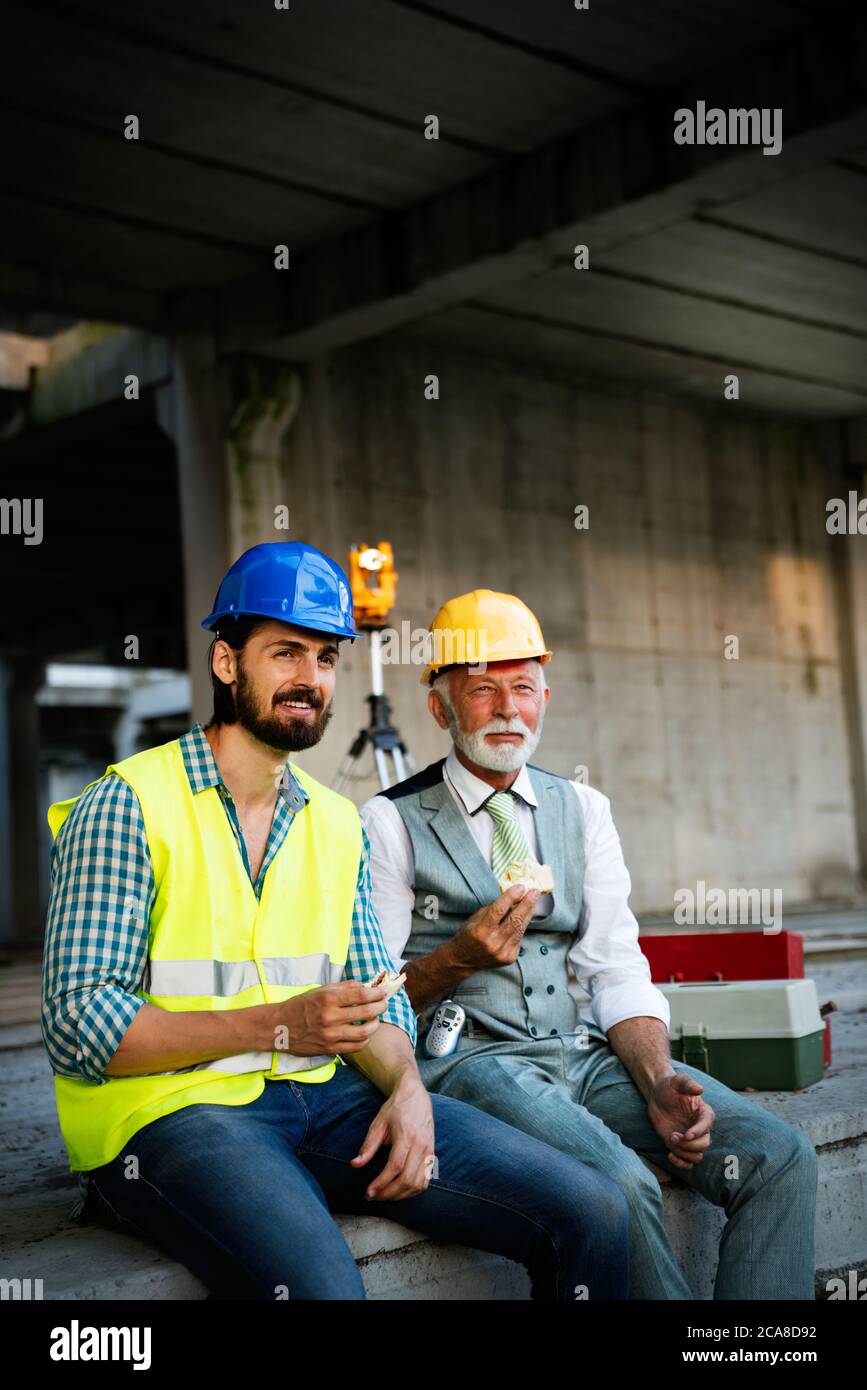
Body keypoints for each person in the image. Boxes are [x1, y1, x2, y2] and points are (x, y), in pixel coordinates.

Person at [41, 544, 629, 1301]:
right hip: (170, 1113)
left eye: (324, 657)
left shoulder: (336, 821)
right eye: (284, 652)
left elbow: (376, 997)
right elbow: (80, 1026)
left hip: (326, 1098)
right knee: (324, 1292)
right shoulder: (127, 805)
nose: (308, 678)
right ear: (227, 663)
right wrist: (277, 1025)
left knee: (592, 1210)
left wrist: (409, 1090)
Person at [361, 588, 818, 1300]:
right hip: (472, 1063)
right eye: (481, 690)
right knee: (621, 1182)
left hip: (577, 1053)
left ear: (545, 696)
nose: (507, 709)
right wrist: (458, 960)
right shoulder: (387, 821)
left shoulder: (583, 809)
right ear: (439, 707)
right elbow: (373, 992)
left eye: (522, 688)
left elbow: (612, 965)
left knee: (779, 1154)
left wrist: (657, 1081)